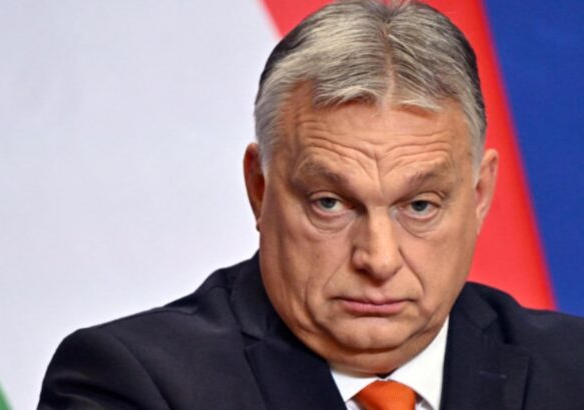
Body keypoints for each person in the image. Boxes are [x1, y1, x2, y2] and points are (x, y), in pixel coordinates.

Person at [38, 1, 584, 409]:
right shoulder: (130, 384)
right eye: (330, 203)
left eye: (419, 206)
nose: (379, 259)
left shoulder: (573, 373)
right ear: (259, 188)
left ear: (479, 195)